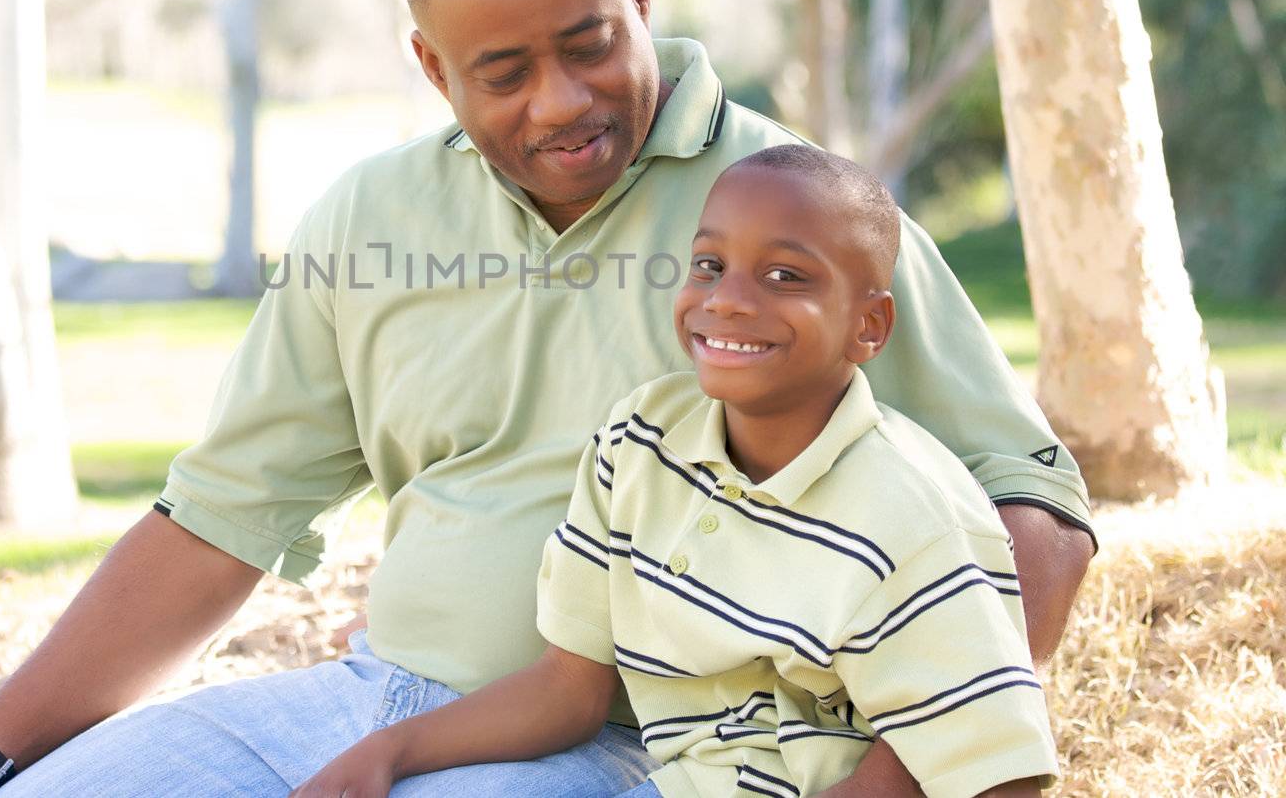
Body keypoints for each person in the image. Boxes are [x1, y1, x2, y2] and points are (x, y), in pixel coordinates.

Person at [0, 0, 1093, 798]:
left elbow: (1033, 511)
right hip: (375, 700)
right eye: (505, 72)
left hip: (651, 751)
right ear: (433, 67)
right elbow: (217, 521)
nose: (562, 102)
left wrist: (900, 780)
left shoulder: (791, 214)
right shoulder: (370, 215)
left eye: (588, 46)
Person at [290, 145, 1059, 798]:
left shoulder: (907, 514)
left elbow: (1000, 770)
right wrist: (388, 752)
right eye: (710, 264)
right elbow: (568, 687)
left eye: (786, 275)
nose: (727, 300)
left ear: (870, 324)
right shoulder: (640, 441)